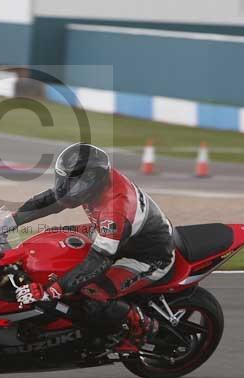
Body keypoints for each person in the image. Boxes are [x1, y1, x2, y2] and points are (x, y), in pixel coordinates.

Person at [11, 143, 175, 350]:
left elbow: (100, 259)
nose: (67, 188)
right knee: (51, 237)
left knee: (93, 292)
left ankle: (140, 327)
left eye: (74, 184)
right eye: (64, 180)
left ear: (93, 182)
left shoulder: (115, 208)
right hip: (114, 234)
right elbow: (50, 200)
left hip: (148, 255)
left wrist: (53, 291)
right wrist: (8, 221)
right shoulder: (90, 183)